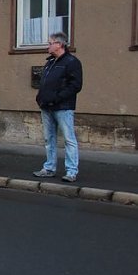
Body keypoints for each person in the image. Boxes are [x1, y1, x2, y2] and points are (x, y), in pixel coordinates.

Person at [33, 31, 83, 182]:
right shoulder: (50, 62)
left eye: (50, 43)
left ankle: (71, 171)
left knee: (69, 139)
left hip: (63, 107)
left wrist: (57, 98)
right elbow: (45, 83)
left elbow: (75, 85)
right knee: (49, 138)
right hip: (46, 106)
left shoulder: (71, 62)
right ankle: (49, 168)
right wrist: (40, 98)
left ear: (59, 44)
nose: (47, 46)